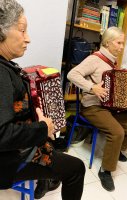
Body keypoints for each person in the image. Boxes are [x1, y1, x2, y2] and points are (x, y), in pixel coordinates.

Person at [0, 1, 85, 200]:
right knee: (76, 168)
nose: (28, 38)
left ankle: (47, 179)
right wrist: (42, 128)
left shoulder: (7, 67)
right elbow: (2, 135)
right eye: (22, 30)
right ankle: (47, 177)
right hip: (7, 161)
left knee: (52, 144)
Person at [67, 27, 127, 192]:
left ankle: (117, 150)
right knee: (118, 133)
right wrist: (92, 87)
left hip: (109, 107)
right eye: (119, 42)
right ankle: (105, 170)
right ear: (108, 43)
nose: (122, 46)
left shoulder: (113, 61)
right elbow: (72, 74)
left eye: (123, 43)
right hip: (93, 107)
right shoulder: (95, 58)